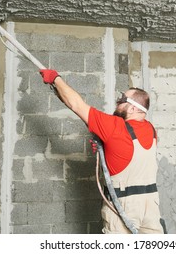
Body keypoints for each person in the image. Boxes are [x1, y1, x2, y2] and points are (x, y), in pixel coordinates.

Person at [40, 68, 165, 234]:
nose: (118, 103)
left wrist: (56, 79)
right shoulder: (151, 130)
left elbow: (76, 105)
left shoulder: (115, 127)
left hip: (124, 205)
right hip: (150, 205)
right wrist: (106, 148)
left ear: (134, 108)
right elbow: (128, 154)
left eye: (122, 100)